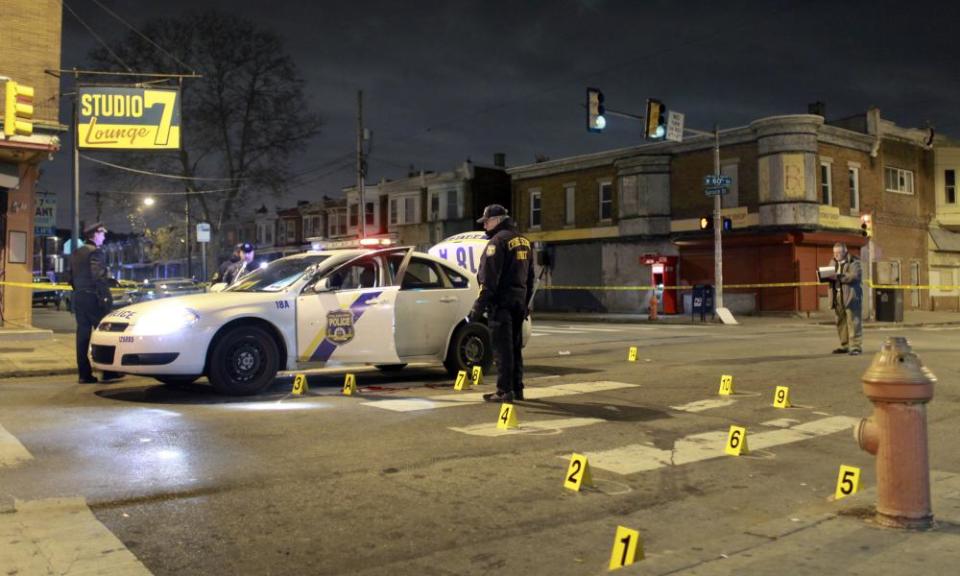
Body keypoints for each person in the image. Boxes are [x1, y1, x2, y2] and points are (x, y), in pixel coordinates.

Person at [468, 204, 535, 403]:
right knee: (515, 347)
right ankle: (517, 388)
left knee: (502, 349)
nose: (485, 226)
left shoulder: (497, 242)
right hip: (518, 302)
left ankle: (504, 391)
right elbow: (530, 278)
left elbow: (488, 280)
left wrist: (477, 308)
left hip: (501, 304)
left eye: (487, 221)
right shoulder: (524, 241)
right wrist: (526, 304)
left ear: (497, 220)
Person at [69, 223, 122, 384]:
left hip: (79, 297)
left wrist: (80, 290)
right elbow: (97, 276)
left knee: (82, 336)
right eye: (102, 234)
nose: (104, 237)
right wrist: (105, 297)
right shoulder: (96, 252)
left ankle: (84, 374)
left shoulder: (77, 252)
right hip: (94, 298)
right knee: (105, 334)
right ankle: (108, 372)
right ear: (95, 235)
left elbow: (70, 277)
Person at [830, 242, 863, 356]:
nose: (836, 255)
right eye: (834, 252)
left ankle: (856, 347)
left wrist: (839, 277)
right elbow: (829, 275)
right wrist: (823, 276)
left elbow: (854, 276)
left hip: (851, 296)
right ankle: (845, 345)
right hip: (837, 295)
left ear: (845, 252)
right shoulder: (832, 262)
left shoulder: (854, 262)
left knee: (853, 321)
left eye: (839, 252)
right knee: (840, 321)